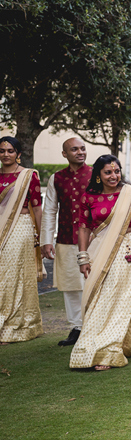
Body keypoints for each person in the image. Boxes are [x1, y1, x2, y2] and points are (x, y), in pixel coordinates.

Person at [69, 155, 131, 370]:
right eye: (108, 172)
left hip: (125, 252)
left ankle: (108, 350)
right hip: (98, 250)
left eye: (117, 171)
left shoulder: (130, 193)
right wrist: (83, 257)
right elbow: (83, 227)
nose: (114, 176)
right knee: (96, 298)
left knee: (116, 298)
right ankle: (118, 343)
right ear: (99, 176)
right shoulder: (89, 197)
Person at [41, 137, 92, 346]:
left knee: (91, 283)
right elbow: (50, 209)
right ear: (65, 154)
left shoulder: (97, 174)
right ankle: (77, 328)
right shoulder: (57, 178)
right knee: (71, 285)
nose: (80, 152)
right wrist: (46, 240)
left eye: (82, 149)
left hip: (93, 239)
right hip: (65, 238)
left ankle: (93, 324)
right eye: (74, 149)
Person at [0, 136, 43, 344]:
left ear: (18, 153)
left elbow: (37, 207)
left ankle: (12, 326)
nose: (6, 154)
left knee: (13, 275)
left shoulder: (28, 176)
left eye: (10, 150)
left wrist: (40, 236)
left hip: (20, 227)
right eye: (2, 151)